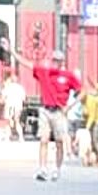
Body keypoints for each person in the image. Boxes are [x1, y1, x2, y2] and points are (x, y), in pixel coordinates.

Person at [29, 49, 84, 181]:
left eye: (57, 60)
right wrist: (12, 51)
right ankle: (42, 168)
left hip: (59, 111)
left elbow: (82, 91)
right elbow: (29, 64)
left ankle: (57, 169)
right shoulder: (45, 72)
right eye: (53, 60)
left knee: (59, 141)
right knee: (44, 140)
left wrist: (69, 106)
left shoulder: (68, 75)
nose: (54, 62)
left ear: (62, 62)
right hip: (45, 109)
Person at [1, 70, 27, 141]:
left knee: (8, 122)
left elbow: (3, 98)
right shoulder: (21, 88)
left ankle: (7, 137)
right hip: (18, 106)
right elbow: (24, 99)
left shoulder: (8, 87)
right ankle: (21, 137)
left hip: (9, 106)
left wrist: (2, 102)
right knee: (17, 121)